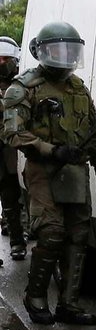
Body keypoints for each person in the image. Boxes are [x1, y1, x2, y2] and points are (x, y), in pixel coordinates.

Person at [1, 21, 96, 326]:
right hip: (42, 171)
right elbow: (11, 134)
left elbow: (94, 130)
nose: (65, 57)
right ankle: (35, 296)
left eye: (71, 50)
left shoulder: (78, 88)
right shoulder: (24, 88)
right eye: (57, 50)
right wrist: (51, 150)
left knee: (78, 236)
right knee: (50, 233)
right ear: (42, 52)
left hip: (76, 171)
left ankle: (69, 304)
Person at [0, 37, 26, 261]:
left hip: (12, 149)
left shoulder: (21, 86)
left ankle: (17, 240)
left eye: (4, 60)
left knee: (11, 196)